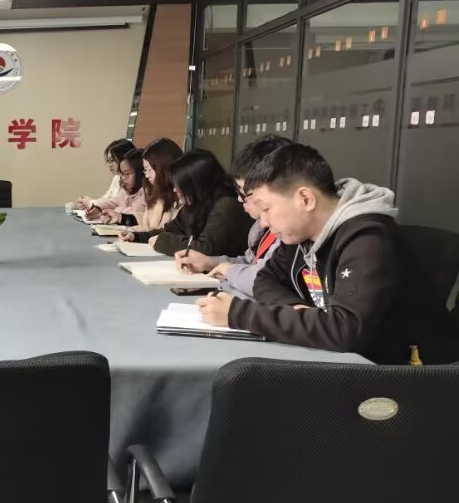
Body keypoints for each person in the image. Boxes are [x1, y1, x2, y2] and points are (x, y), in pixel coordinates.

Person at [195, 142, 411, 363]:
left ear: (306, 199)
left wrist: (240, 314)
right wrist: (297, 312)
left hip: (383, 370)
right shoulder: (300, 233)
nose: (264, 222)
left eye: (267, 209)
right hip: (330, 359)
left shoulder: (367, 238)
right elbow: (265, 279)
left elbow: (345, 330)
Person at [174, 135, 290, 299]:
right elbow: (251, 262)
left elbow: (265, 279)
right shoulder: (262, 228)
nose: (240, 200)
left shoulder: (289, 233)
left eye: (244, 194)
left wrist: (228, 271)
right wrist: (211, 263)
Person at [136, 149, 253, 257]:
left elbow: (206, 249)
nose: (175, 190)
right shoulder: (196, 202)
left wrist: (164, 242)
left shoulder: (227, 206)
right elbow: (171, 230)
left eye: (179, 185)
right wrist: (137, 237)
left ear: (194, 184)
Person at [117, 137, 184, 236]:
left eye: (150, 170)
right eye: (145, 170)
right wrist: (131, 232)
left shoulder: (182, 197)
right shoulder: (156, 192)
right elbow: (148, 226)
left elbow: (166, 233)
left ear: (164, 169)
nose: (147, 175)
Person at [74, 139, 134, 210]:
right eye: (108, 161)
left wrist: (91, 203)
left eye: (112, 160)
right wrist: (89, 203)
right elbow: (107, 199)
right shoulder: (117, 178)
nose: (109, 165)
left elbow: (118, 206)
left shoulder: (135, 181)